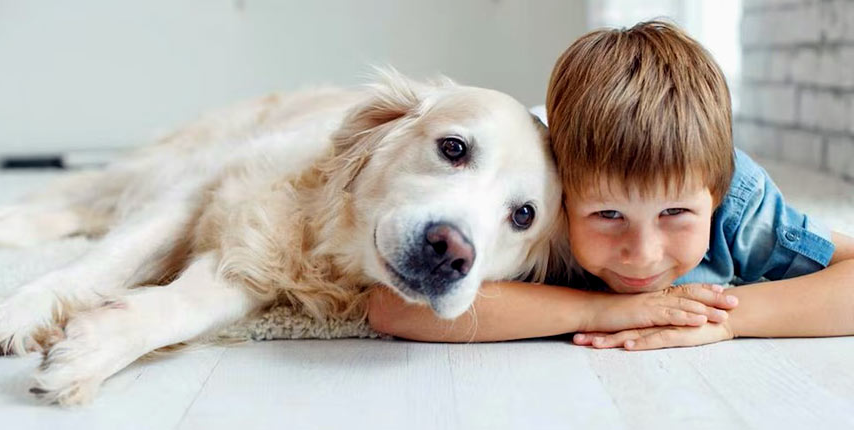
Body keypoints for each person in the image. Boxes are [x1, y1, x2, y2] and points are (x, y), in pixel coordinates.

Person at [366, 21, 854, 350]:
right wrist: (602, 311)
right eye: (608, 215)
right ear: (564, 202)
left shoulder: (734, 193)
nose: (641, 255)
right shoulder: (537, 201)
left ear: (715, 195)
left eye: (675, 215)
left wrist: (726, 318)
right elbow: (391, 310)